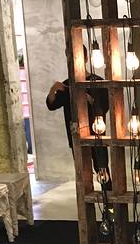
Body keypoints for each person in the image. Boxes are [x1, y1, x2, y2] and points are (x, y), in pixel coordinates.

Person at [46, 45, 111, 188]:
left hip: (96, 134)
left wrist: (90, 100)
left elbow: (105, 106)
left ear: (86, 58)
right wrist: (53, 89)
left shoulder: (97, 82)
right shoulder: (67, 85)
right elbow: (52, 105)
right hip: (76, 135)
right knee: (82, 172)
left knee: (102, 169)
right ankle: (86, 198)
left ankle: (109, 200)